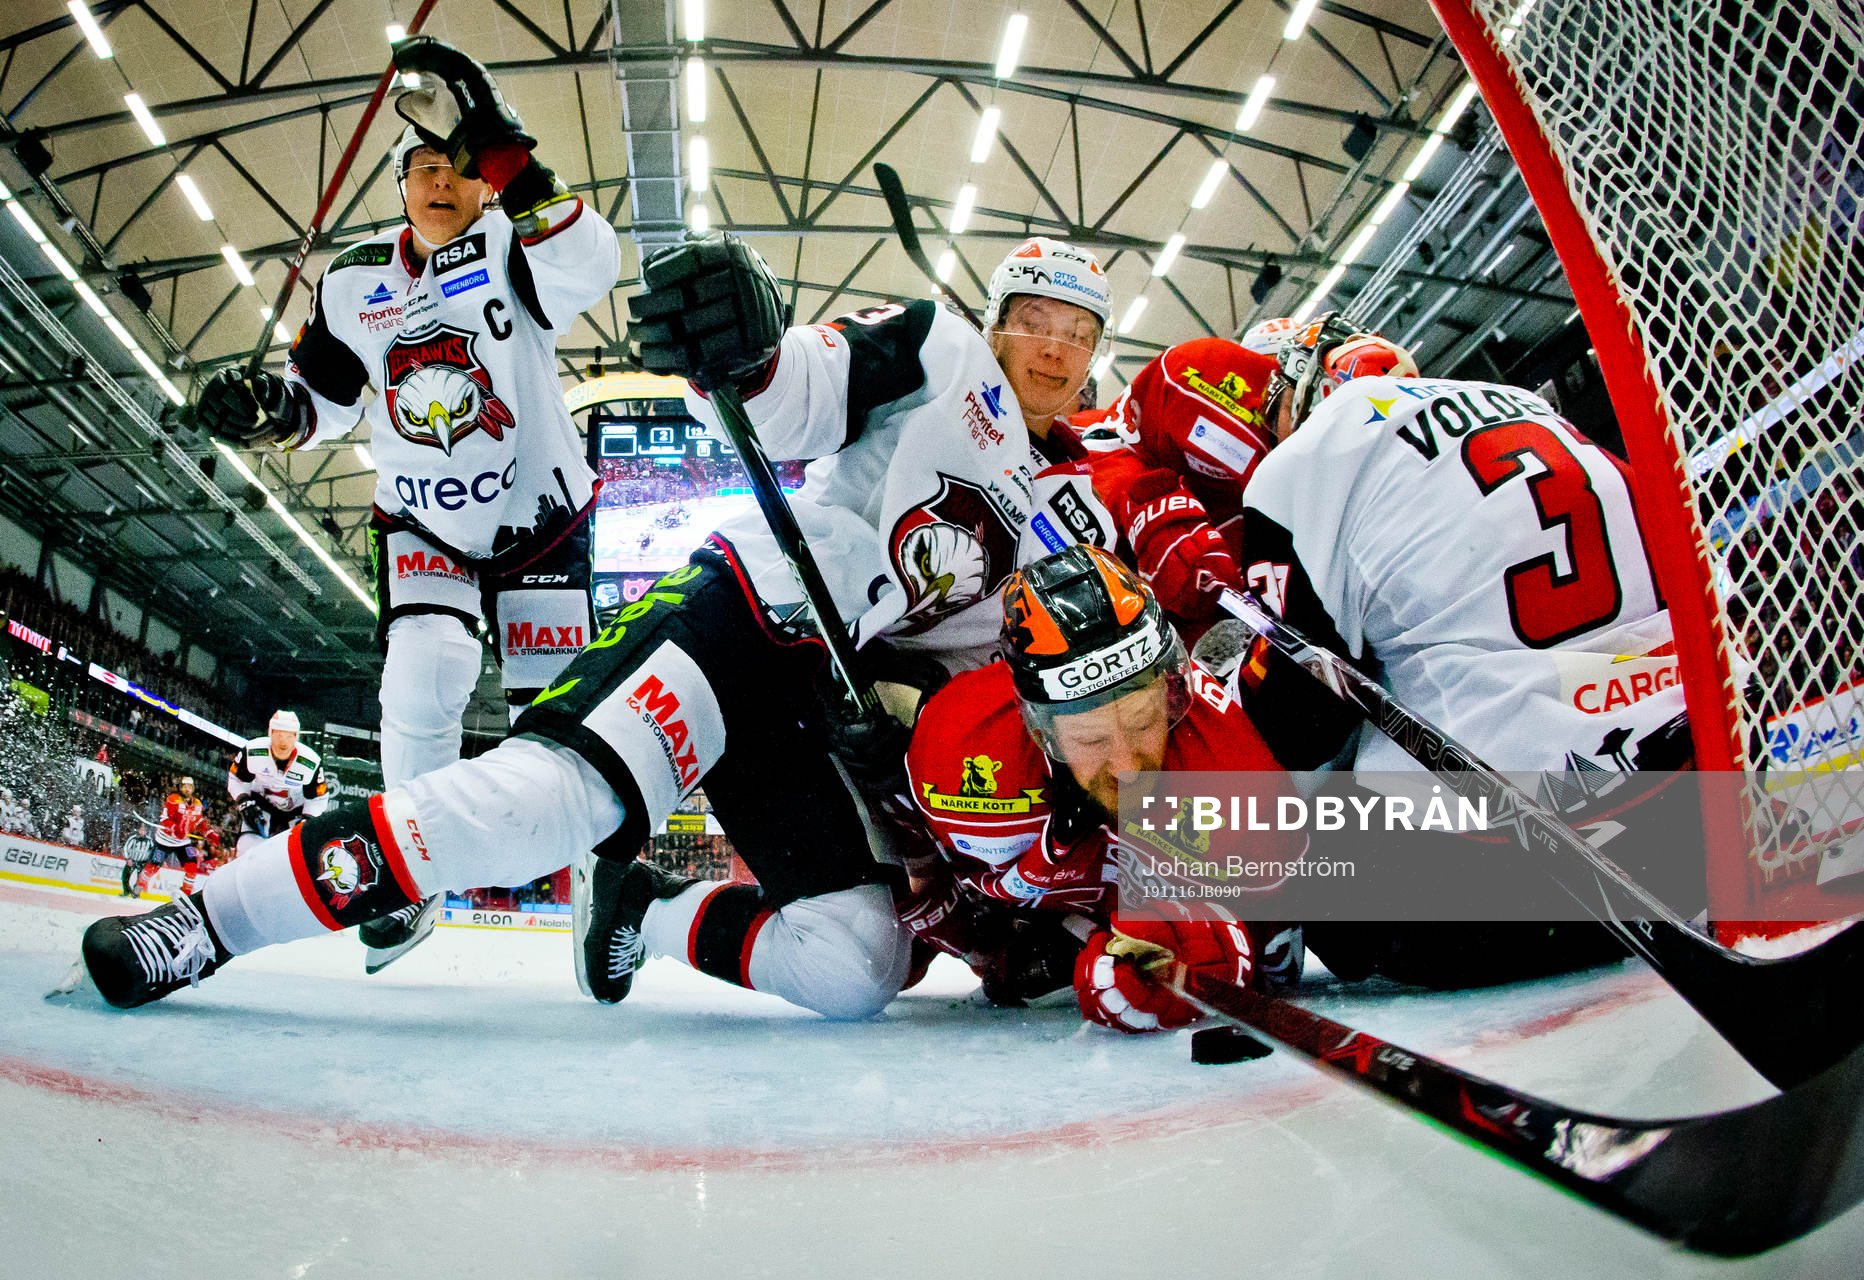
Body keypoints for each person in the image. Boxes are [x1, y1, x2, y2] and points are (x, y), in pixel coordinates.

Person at [75, 228, 1118, 1019]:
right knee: (545, 802)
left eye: (1079, 335)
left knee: (857, 966)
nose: (1055, 348)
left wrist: (911, 728)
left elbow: (999, 671)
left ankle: (643, 911)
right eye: (1037, 320)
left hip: (830, 722)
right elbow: (804, 392)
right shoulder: (946, 351)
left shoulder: (1082, 512)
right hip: (755, 618)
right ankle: (206, 922)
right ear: (996, 320)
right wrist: (748, 351)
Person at [192, 37, 621, 973]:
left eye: (456, 167)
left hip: (541, 518)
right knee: (421, 679)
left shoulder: (513, 242)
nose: (440, 182)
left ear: (479, 182)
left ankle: (603, 886)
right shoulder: (352, 280)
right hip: (425, 520)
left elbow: (595, 263)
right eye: (422, 167)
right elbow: (325, 398)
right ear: (398, 185)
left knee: (558, 717)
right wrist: (269, 410)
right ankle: (408, 878)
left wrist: (505, 151)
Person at [1234, 314, 1689, 985]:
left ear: (1309, 387)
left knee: (1285, 839)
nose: (1264, 430)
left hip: (1520, 872)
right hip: (1696, 788)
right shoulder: (1525, 405)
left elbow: (1300, 723)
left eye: (1271, 407)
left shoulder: (1303, 462)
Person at [900, 544, 1303, 1031]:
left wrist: (1201, 948)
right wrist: (980, 941)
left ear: (1173, 692)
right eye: (1092, 738)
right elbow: (927, 881)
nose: (1127, 766)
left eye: (1143, 722)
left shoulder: (1235, 782)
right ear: (1040, 728)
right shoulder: (962, 749)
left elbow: (1272, 956)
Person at [227, 710, 330, 855]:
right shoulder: (251, 750)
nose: (283, 741)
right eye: (279, 734)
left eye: (289, 736)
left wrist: (308, 819)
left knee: (297, 855)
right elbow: (236, 779)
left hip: (296, 811)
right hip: (261, 804)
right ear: (270, 733)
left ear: (296, 737)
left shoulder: (311, 762)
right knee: (247, 848)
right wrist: (243, 800)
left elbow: (318, 798)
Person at [124, 776, 207, 901]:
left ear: (193, 788)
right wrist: (174, 827)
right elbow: (164, 819)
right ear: (180, 787)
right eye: (184, 786)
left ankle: (185, 896)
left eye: (189, 786)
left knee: (192, 866)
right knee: (153, 867)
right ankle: (139, 886)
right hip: (164, 841)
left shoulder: (197, 804)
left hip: (183, 842)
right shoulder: (173, 799)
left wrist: (208, 832)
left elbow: (199, 821)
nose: (187, 789)